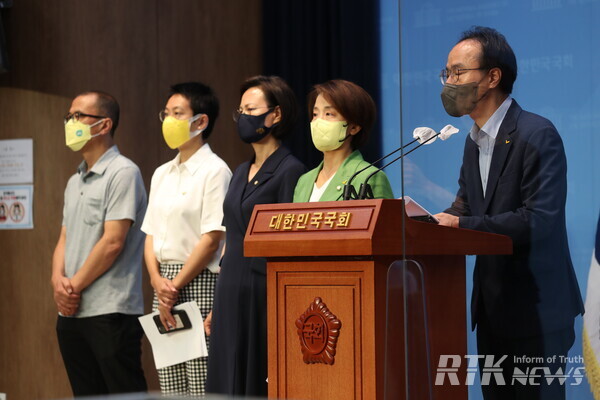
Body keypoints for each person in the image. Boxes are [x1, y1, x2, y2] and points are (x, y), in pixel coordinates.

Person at [434, 26, 584, 399]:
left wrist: (461, 222)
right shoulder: (472, 142)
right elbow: (465, 205)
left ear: (492, 77)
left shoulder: (537, 134)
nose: (449, 82)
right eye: (447, 73)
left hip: (536, 311)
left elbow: (539, 219)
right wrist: (427, 221)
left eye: (457, 72)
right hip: (493, 311)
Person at [206, 75, 306, 396]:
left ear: (275, 115)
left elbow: (292, 243)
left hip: (262, 289)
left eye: (251, 109)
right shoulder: (239, 172)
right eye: (240, 111)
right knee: (224, 376)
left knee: (253, 377)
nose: (244, 117)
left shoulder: (291, 169)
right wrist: (216, 302)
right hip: (229, 287)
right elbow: (230, 235)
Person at [51, 91, 147, 396]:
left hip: (110, 311)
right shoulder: (74, 180)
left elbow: (113, 242)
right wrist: (57, 282)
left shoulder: (123, 172)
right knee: (85, 392)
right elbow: (64, 236)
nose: (71, 122)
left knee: (123, 392)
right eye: (69, 117)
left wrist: (73, 287)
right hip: (71, 312)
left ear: (104, 125)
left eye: (79, 116)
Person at [142, 82, 232, 396]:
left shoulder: (215, 170)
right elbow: (150, 233)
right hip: (163, 284)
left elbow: (212, 238)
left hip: (198, 282)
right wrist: (156, 280)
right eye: (166, 114)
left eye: (177, 113)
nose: (169, 121)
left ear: (201, 121)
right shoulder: (161, 173)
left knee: (200, 386)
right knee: (171, 385)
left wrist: (174, 285)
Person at [293, 79, 394, 202]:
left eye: (329, 114)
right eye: (315, 114)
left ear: (354, 127)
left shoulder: (369, 176)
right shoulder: (304, 180)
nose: (318, 122)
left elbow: (387, 220)